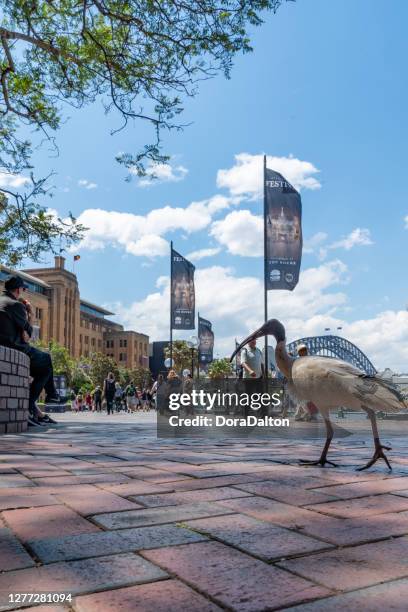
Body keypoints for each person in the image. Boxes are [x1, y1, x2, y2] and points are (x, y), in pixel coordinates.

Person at [0, 275, 60, 423]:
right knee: (45, 360)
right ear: (18, 289)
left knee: (40, 368)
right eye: (23, 288)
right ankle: (45, 397)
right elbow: (28, 334)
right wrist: (31, 314)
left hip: (5, 349)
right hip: (14, 348)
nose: (23, 291)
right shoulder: (15, 305)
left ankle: (48, 397)